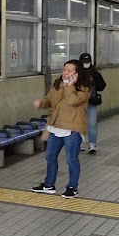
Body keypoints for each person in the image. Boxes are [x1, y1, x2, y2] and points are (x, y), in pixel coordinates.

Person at [32, 59, 89, 198]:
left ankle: (72, 187)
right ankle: (49, 184)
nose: (65, 72)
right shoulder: (57, 83)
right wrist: (41, 104)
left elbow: (73, 101)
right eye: (64, 69)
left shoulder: (84, 87)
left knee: (71, 159)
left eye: (70, 70)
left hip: (72, 128)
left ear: (77, 73)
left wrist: (70, 85)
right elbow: (49, 99)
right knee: (50, 156)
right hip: (55, 126)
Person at [78, 52, 106, 154]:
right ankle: (80, 143)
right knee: (80, 123)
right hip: (79, 103)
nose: (86, 64)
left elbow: (102, 86)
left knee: (92, 124)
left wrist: (94, 80)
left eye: (88, 62)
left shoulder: (94, 73)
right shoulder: (76, 73)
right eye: (84, 62)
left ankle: (92, 144)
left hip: (91, 102)